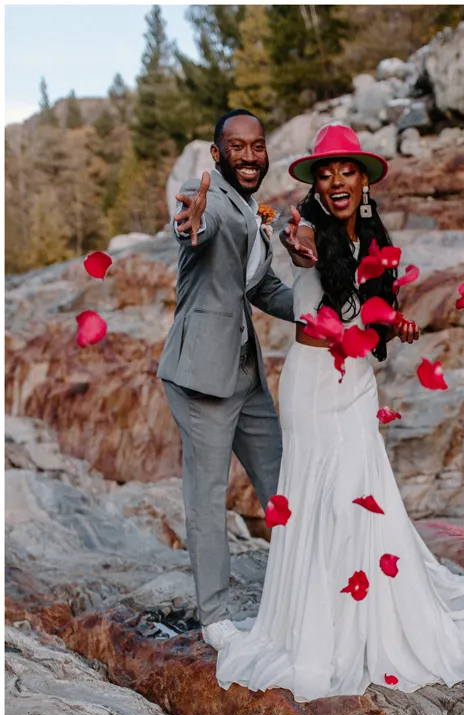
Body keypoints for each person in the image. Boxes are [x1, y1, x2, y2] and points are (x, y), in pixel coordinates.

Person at [215, 123, 464, 702]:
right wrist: (294, 242)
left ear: (363, 180)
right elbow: (292, 237)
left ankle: (368, 620)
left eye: (346, 171)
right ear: (316, 183)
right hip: (310, 382)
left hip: (355, 381)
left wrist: (395, 323)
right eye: (325, 173)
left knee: (361, 488)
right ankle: (318, 627)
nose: (335, 181)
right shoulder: (307, 228)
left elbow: (370, 317)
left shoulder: (375, 244)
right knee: (321, 494)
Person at [158, 108, 300, 650]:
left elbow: (263, 291)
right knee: (208, 494)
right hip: (200, 378)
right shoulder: (212, 201)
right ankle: (215, 619)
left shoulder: (249, 207)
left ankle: (300, 592)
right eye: (236, 147)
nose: (249, 155)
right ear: (217, 156)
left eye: (257, 146)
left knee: (281, 486)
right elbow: (199, 227)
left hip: (244, 373)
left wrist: (316, 311)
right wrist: (188, 223)